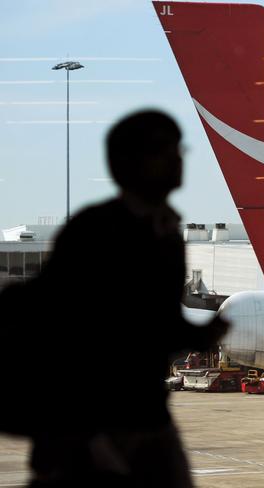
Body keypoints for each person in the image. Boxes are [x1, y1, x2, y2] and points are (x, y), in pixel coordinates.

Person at [0, 110, 228, 487]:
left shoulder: (165, 230)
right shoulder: (98, 231)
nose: (177, 160)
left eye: (177, 150)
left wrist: (203, 335)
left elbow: (153, 322)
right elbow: (78, 327)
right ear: (128, 164)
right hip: (98, 421)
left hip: (142, 413)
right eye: (164, 151)